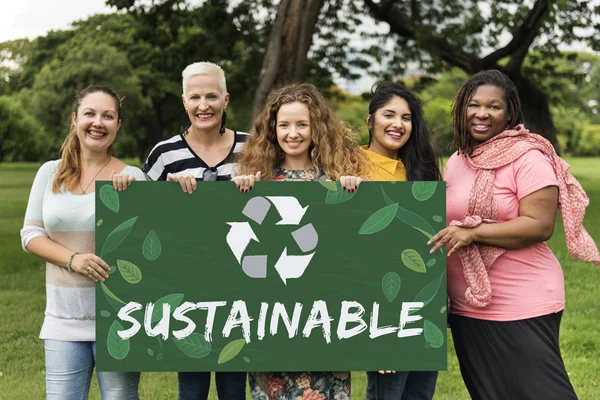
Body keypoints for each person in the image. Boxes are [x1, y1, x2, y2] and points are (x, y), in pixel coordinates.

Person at [428, 70, 600, 400]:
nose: (481, 113)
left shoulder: (529, 157)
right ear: (461, 109)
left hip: (521, 301)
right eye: (473, 105)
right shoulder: (458, 160)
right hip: (468, 306)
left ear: (509, 113)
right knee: (490, 393)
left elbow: (539, 225)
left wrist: (475, 233)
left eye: (493, 106)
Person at [233, 82, 369, 399]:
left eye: (301, 125)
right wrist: (236, 191)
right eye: (284, 125)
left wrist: (354, 191)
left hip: (323, 323)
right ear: (272, 129)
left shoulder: (333, 185)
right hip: (271, 323)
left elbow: (353, 248)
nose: (293, 133)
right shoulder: (258, 183)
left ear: (315, 129)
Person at [123, 61, 248, 400]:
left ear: (226, 100)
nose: (203, 105)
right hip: (187, 291)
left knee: (234, 387)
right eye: (195, 97)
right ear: (184, 101)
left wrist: (257, 183)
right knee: (191, 388)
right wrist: (160, 192)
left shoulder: (253, 149)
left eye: (211, 96)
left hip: (244, 287)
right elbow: (145, 222)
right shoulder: (164, 155)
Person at [20, 84, 144, 399]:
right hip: (62, 320)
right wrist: (73, 258)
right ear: (74, 120)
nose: (98, 123)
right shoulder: (50, 174)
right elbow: (31, 234)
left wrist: (134, 200)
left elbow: (151, 245)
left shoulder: (133, 179)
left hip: (119, 320)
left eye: (108, 116)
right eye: (90, 114)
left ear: (119, 125)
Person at [353, 82, 440, 400]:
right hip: (380, 306)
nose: (397, 124)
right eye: (388, 114)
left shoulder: (421, 172)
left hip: (422, 301)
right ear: (370, 120)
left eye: (406, 118)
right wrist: (378, 332)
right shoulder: (350, 169)